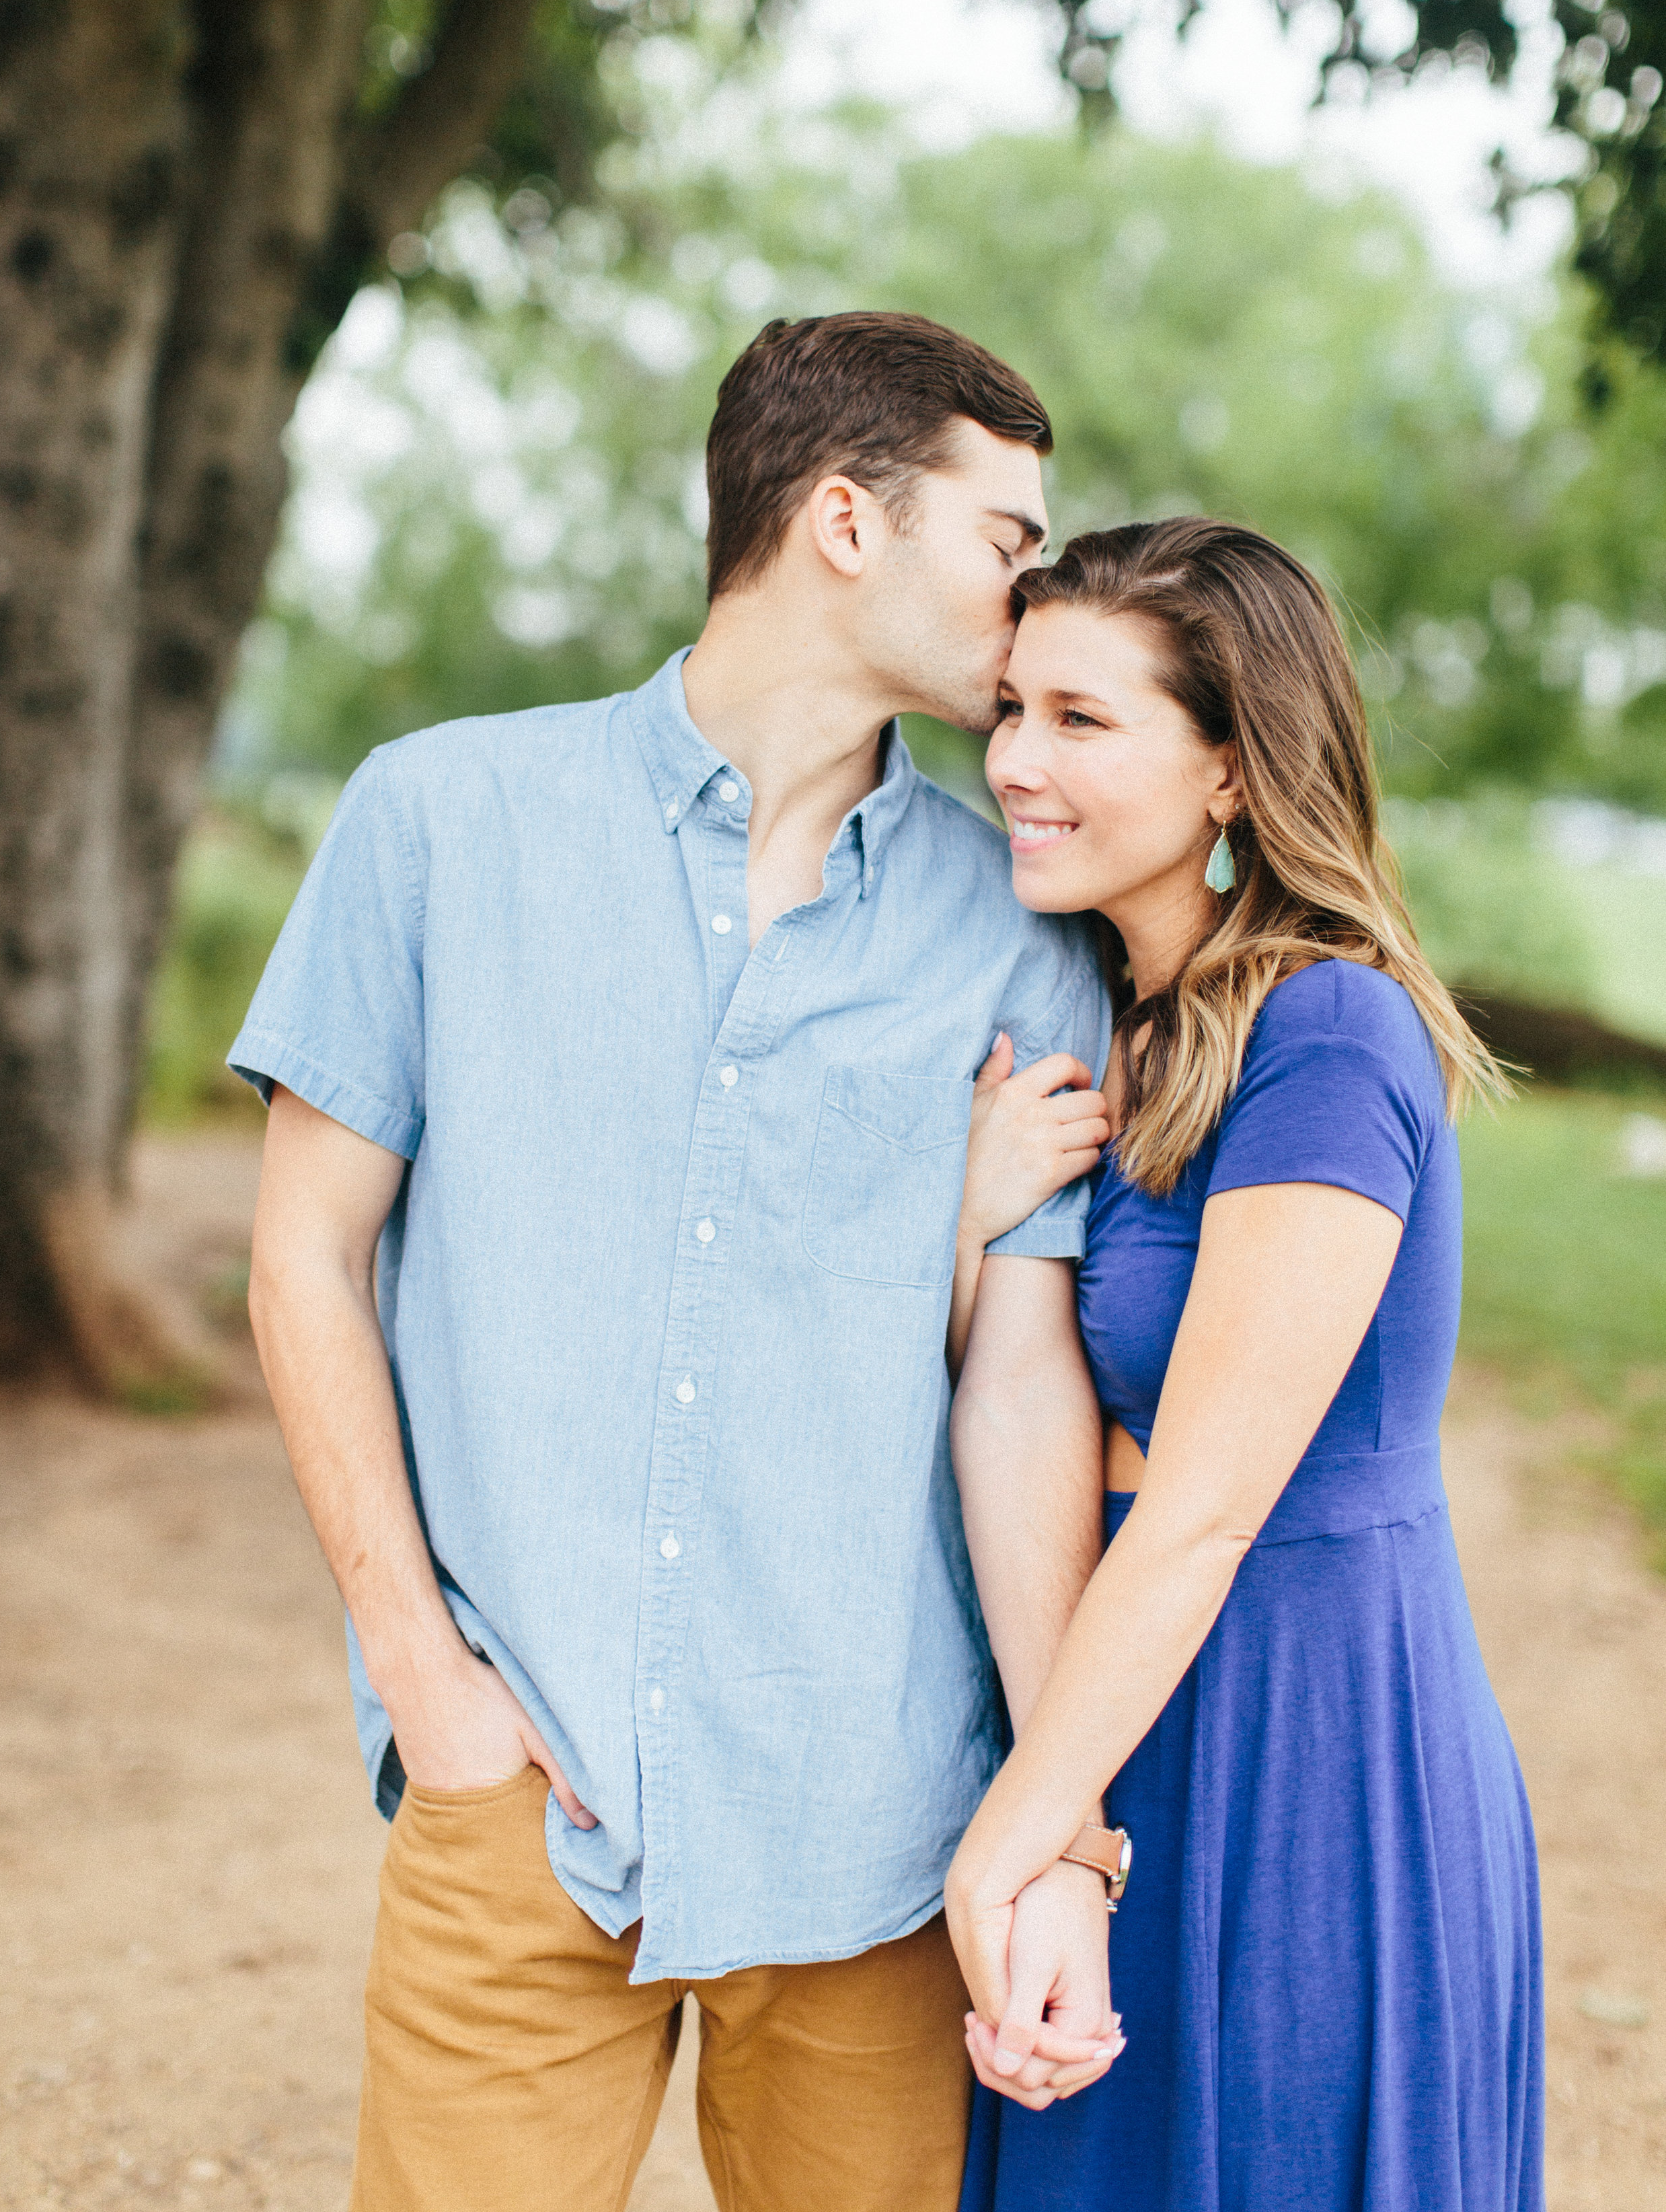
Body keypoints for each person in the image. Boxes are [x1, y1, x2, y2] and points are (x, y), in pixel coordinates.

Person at [231, 311, 1119, 2212]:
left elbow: (1017, 1372)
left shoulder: (1018, 932)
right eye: (1010, 539)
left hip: (875, 1829)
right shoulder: (439, 821)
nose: (1035, 596)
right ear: (843, 521)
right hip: (520, 1800)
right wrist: (422, 1675)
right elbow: (303, 1256)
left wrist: (1047, 1812)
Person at [943, 517, 1545, 2211]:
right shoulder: (1102, 1025)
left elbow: (1205, 1504)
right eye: (1006, 710)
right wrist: (971, 1224)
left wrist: (1015, 1837)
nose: (1012, 761)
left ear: (1228, 771)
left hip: (1308, 1729)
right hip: (1117, 1685)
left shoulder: (1327, 1032)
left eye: (1078, 718)